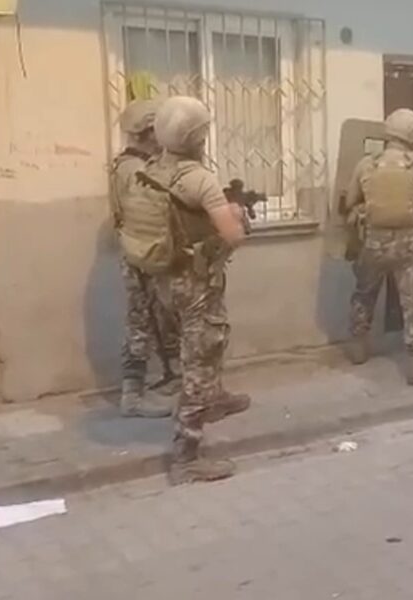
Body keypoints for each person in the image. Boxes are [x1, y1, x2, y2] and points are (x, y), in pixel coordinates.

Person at [141, 96, 252, 485]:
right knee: (199, 362)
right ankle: (186, 457)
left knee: (198, 352)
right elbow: (233, 236)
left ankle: (214, 399)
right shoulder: (199, 179)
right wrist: (234, 214)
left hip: (164, 279)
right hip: (194, 283)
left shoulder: (151, 169)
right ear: (197, 137)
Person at [344, 108, 413, 386]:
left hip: (373, 241)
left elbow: (349, 201)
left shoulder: (366, 164)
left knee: (364, 293)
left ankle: (358, 346)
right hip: (406, 243)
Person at [110, 99, 181, 418]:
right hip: (144, 254)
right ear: (148, 133)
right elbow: (153, 215)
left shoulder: (127, 165)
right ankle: (133, 396)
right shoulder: (137, 171)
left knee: (159, 319)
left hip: (142, 252)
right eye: (157, 130)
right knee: (141, 322)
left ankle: (169, 379)